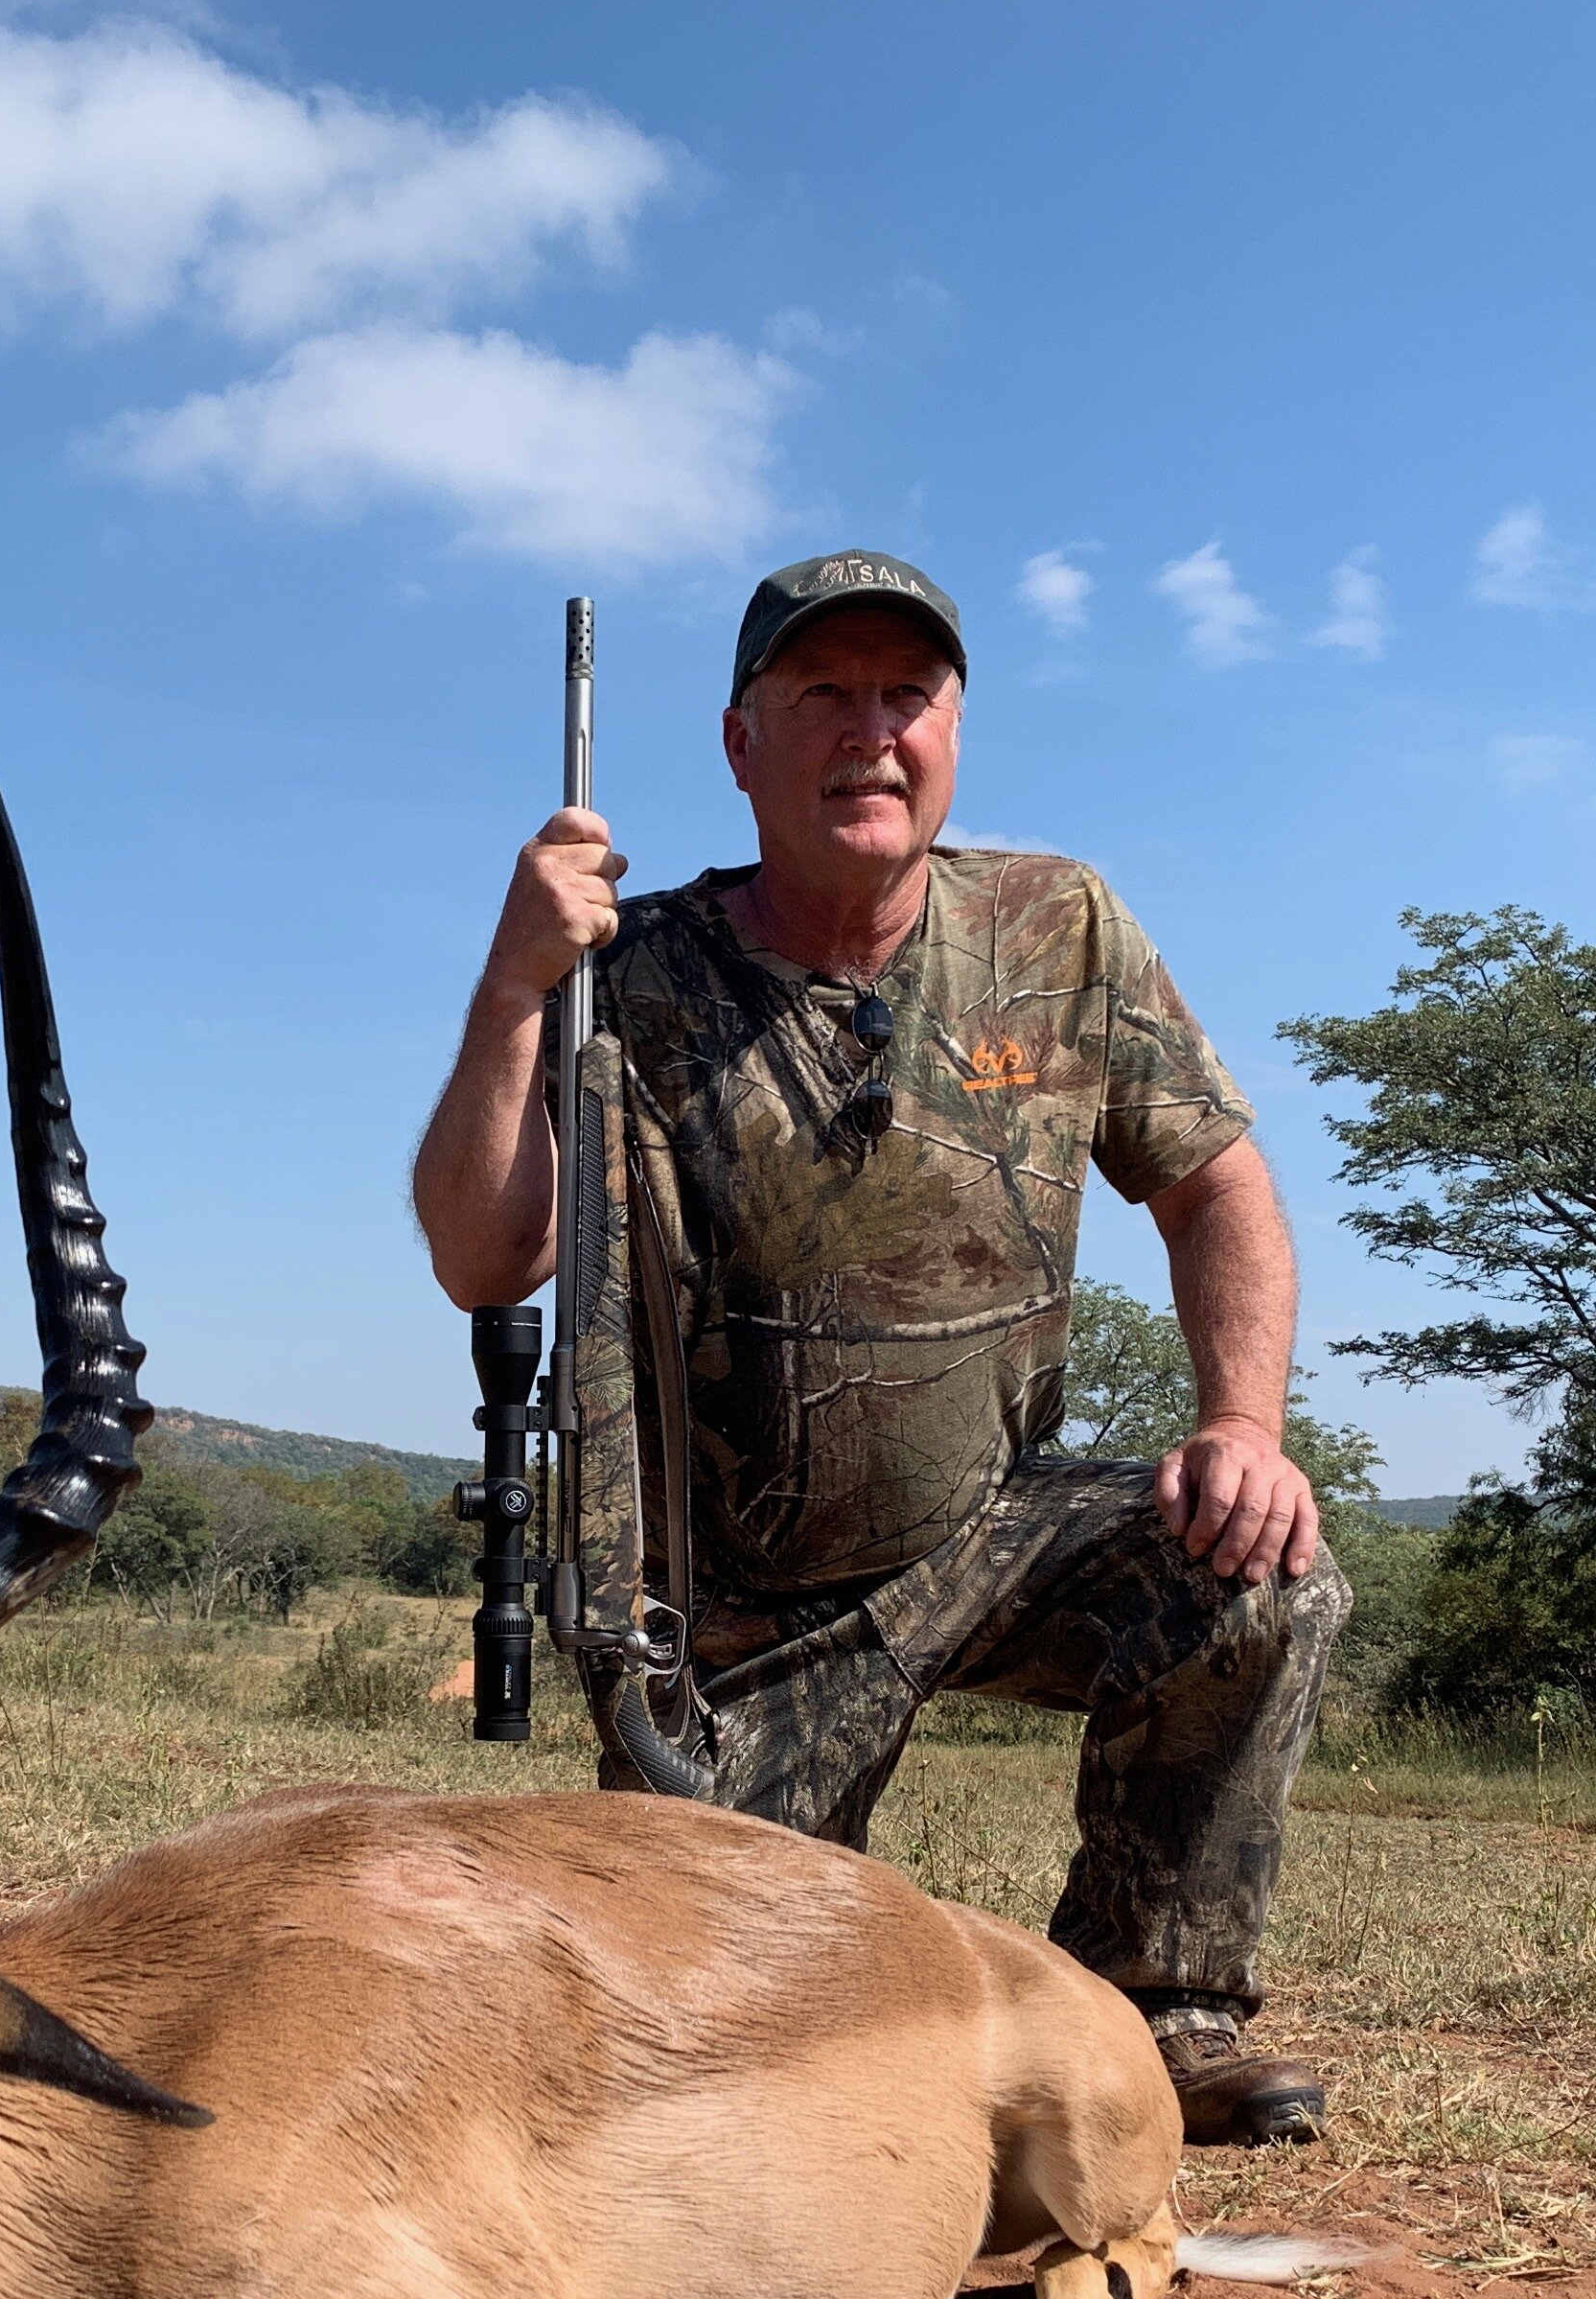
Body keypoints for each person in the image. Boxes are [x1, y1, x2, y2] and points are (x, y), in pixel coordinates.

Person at [411, 549, 1347, 2146]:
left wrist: (1239, 1420)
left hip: (991, 1524)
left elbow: (1218, 1187)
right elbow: (483, 1251)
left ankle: (1159, 2009)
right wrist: (515, 983)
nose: (870, 732)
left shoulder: (1063, 926)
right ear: (739, 743)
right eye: (820, 696)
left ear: (954, 730)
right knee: (708, 2066)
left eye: (905, 696)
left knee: (1253, 1564)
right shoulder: (622, 973)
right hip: (742, 1623)